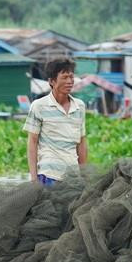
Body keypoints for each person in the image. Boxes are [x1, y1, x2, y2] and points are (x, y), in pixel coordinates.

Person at [24, 58, 88, 186]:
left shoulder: (79, 106)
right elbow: (32, 142)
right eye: (64, 77)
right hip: (48, 176)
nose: (69, 81)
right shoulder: (39, 106)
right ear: (52, 81)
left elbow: (81, 143)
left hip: (73, 176)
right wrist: (33, 178)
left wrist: (84, 174)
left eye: (71, 77)